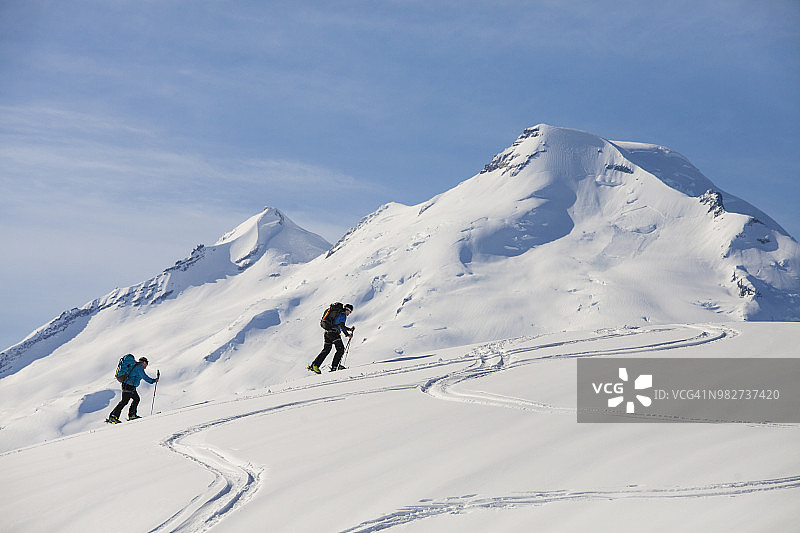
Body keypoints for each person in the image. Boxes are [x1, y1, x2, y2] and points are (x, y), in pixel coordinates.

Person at [107, 357, 159, 423]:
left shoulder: (137, 366)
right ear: (144, 362)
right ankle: (113, 416)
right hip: (128, 386)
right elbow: (144, 377)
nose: (146, 366)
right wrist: (153, 381)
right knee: (124, 401)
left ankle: (132, 415)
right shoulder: (139, 367)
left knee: (136, 399)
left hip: (130, 386)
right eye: (146, 364)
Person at [308, 303, 354, 373]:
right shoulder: (343, 315)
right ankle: (335, 366)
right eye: (350, 311)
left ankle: (315, 365)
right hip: (334, 333)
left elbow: (338, 325)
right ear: (348, 310)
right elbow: (342, 326)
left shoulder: (338, 314)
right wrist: (348, 335)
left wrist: (349, 329)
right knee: (340, 349)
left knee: (326, 350)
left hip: (327, 332)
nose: (349, 313)